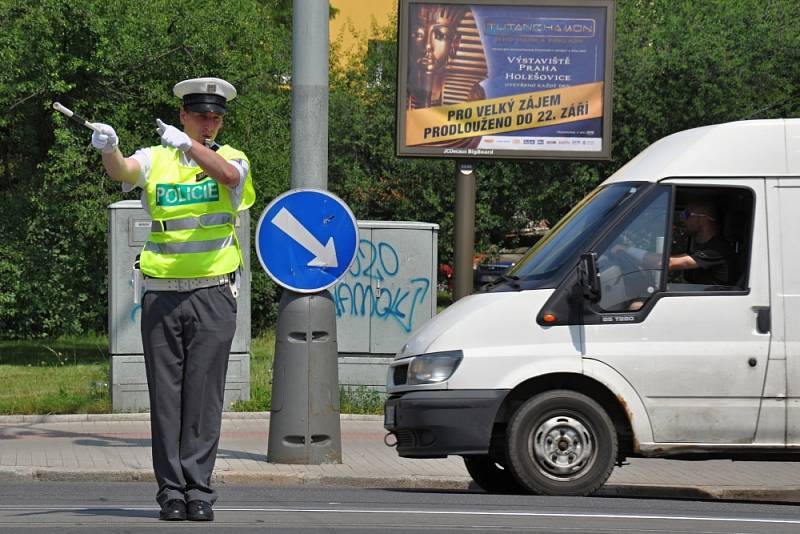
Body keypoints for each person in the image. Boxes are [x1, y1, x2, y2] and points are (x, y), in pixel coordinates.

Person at [91, 77, 255, 522]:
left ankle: (199, 490)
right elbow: (124, 172)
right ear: (183, 115)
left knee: (204, 398)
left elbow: (229, 177)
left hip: (213, 294)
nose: (209, 124)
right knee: (166, 399)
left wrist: (190, 146)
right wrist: (110, 148)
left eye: (215, 118)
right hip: (162, 296)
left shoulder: (231, 156)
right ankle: (171, 493)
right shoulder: (157, 158)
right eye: (200, 116)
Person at [668, 200, 737, 286]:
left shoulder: (717, 249)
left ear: (704, 219)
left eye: (686, 214)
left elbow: (670, 263)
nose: (682, 219)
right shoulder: (701, 246)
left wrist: (645, 256)